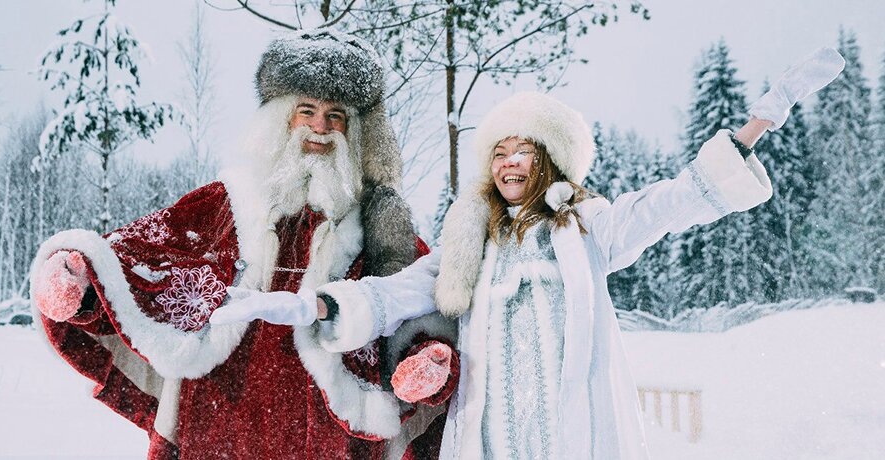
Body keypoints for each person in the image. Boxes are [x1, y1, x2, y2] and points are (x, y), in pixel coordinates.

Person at [216, 47, 846, 459]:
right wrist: (307, 306)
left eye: (524, 149)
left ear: (548, 160)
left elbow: (671, 203)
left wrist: (753, 128)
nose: (509, 160)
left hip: (569, 439)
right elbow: (395, 293)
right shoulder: (473, 242)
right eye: (498, 151)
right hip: (488, 442)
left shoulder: (589, 228)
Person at [30, 29, 458, 460]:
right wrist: (84, 282)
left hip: (328, 437)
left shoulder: (381, 231)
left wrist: (429, 362)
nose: (320, 128)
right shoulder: (222, 205)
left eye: (336, 116)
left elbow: (419, 303)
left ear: (355, 131)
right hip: (218, 425)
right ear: (281, 118)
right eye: (306, 110)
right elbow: (141, 264)